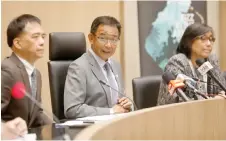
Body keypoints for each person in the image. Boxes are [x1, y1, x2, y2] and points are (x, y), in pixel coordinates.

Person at [64, 16, 132, 119]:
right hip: (92, 130)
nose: (109, 45)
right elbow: (72, 109)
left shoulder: (115, 65)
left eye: (114, 40)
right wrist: (111, 111)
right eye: (103, 38)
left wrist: (127, 104)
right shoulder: (79, 67)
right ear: (91, 38)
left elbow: (119, 101)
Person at [1, 14, 51, 128]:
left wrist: (61, 128)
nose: (42, 41)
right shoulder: (7, 70)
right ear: (18, 43)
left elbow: (37, 114)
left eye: (43, 36)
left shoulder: (36, 74)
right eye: (35, 36)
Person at [157, 23, 226, 105]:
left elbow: (221, 88)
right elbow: (181, 98)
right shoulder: (177, 62)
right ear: (188, 42)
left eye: (211, 39)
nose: (208, 44)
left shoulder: (211, 60)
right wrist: (213, 100)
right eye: (203, 38)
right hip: (175, 115)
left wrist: (221, 94)